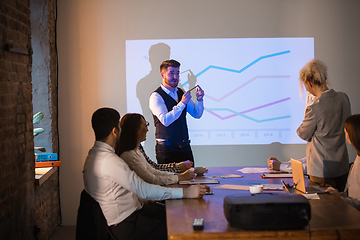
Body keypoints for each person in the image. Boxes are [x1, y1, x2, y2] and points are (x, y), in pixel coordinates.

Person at [83, 108, 209, 240]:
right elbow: (142, 188)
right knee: (183, 226)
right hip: (128, 224)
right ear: (115, 131)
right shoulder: (109, 161)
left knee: (180, 213)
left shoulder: (93, 156)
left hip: (130, 216)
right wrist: (185, 193)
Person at [296, 59, 351, 191]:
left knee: (324, 208)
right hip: (342, 166)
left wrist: (307, 110)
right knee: (340, 207)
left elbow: (303, 133)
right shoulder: (344, 98)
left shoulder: (314, 108)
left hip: (321, 170)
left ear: (308, 83)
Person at [149, 59, 204, 164]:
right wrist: (182, 103)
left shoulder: (180, 92)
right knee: (170, 179)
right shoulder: (156, 96)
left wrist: (200, 99)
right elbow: (165, 120)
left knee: (190, 178)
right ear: (162, 75)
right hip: (166, 149)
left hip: (184, 147)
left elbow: (197, 114)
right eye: (171, 73)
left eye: (177, 73)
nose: (175, 77)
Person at [116, 113, 195, 185]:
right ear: (136, 130)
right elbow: (151, 179)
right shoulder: (129, 155)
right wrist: (180, 176)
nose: (147, 130)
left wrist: (179, 174)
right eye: (145, 125)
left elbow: (153, 170)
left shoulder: (137, 150)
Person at [326, 114, 360, 210]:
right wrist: (336, 193)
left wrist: (340, 198)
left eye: (345, 132)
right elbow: (350, 195)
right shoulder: (356, 160)